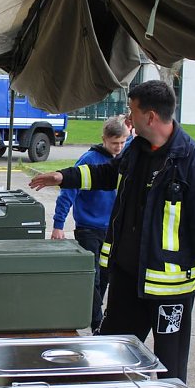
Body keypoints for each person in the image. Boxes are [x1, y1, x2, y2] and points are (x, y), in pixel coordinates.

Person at [30, 80, 195, 382]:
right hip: (128, 279)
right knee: (111, 354)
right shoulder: (137, 151)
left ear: (150, 117)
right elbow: (107, 173)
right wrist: (62, 176)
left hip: (167, 291)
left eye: (132, 112)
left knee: (170, 366)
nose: (127, 120)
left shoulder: (193, 162)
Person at [51, 115, 129, 332]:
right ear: (104, 139)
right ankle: (97, 323)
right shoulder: (89, 160)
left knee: (105, 277)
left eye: (123, 142)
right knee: (93, 277)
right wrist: (58, 225)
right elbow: (68, 192)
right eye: (115, 143)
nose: (119, 148)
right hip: (89, 229)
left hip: (111, 230)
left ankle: (96, 315)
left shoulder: (125, 159)